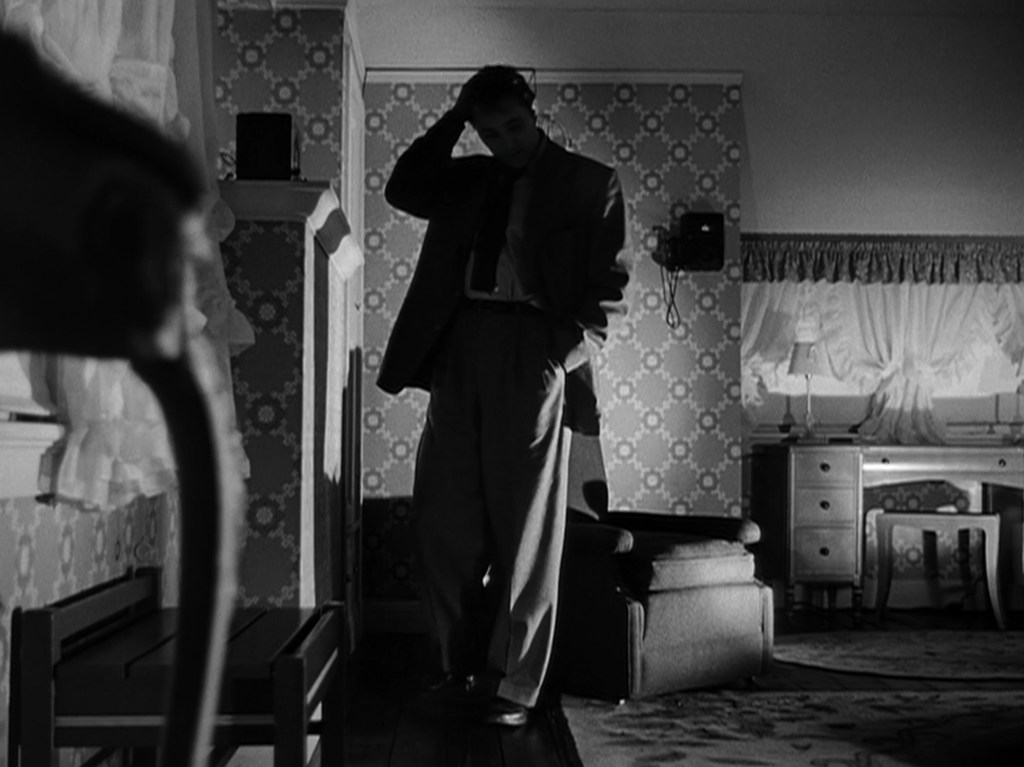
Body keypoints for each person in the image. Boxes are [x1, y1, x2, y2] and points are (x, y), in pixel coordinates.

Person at [377, 64, 630, 727]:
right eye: (490, 133)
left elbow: (611, 285)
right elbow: (403, 188)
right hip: (460, 344)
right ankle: (456, 667)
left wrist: (561, 352)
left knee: (526, 525)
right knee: (442, 518)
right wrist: (455, 119)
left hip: (533, 347)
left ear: (533, 113)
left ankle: (513, 683)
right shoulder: (466, 178)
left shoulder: (589, 181)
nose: (506, 143)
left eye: (515, 127)